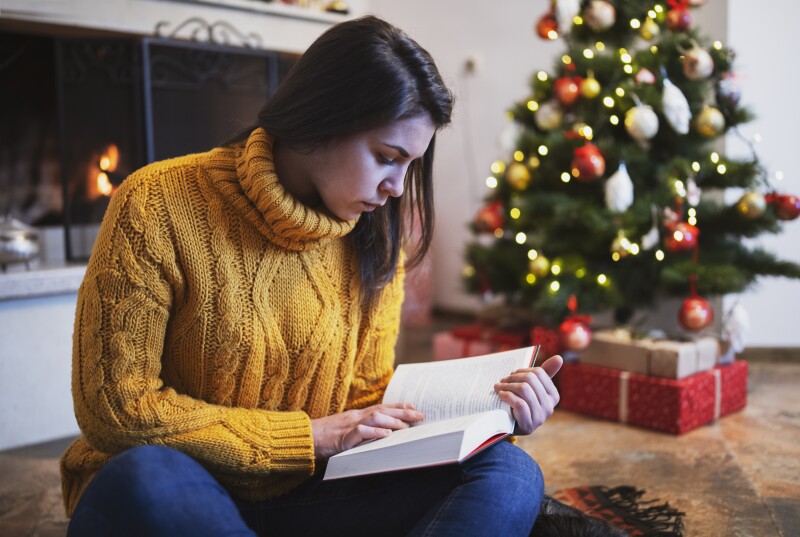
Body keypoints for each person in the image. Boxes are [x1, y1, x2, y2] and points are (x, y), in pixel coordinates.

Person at [61, 15, 562, 537]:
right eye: (388, 158)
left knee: (509, 471)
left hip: (309, 496)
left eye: (411, 165)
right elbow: (116, 410)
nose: (397, 187)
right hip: (184, 486)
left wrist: (492, 419)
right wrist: (309, 437)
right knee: (146, 473)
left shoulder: (376, 239)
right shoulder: (157, 203)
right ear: (323, 118)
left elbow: (363, 404)